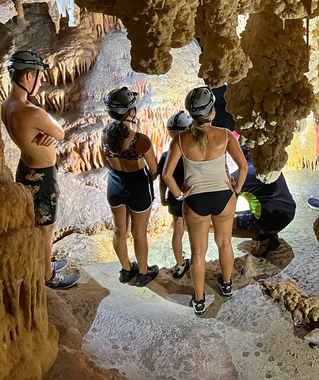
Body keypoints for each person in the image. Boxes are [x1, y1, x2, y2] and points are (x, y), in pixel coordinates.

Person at [162, 86, 248, 316]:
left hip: (195, 200)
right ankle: (227, 285)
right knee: (225, 243)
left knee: (198, 252)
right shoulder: (226, 135)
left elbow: (167, 175)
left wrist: (180, 195)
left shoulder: (180, 139)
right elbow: (243, 166)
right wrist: (237, 189)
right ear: (212, 112)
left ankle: (199, 300)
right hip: (223, 196)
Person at [2, 50, 79, 290]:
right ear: (27, 77)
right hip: (42, 177)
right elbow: (59, 132)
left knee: (37, 224)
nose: (41, 81)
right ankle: (47, 276)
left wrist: (40, 128)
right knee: (45, 228)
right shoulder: (32, 112)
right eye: (38, 76)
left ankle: (44, 262)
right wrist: (46, 127)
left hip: (26, 169)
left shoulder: (8, 105)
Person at [101, 87, 160, 287]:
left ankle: (126, 270)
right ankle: (143, 273)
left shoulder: (105, 136)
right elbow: (154, 169)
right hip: (137, 185)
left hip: (115, 184)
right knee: (139, 233)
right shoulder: (140, 140)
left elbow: (105, 164)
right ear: (131, 113)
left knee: (119, 230)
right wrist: (148, 179)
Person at [231, 146, 296, 256]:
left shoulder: (240, 175)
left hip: (270, 220)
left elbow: (225, 202)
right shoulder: (270, 167)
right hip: (289, 213)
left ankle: (265, 238)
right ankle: (269, 232)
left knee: (221, 225)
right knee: (255, 207)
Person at [158, 111, 193, 278]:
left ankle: (180, 264)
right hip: (193, 196)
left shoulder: (165, 156)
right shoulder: (192, 155)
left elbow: (163, 179)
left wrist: (163, 196)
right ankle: (197, 260)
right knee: (195, 230)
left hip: (174, 196)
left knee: (177, 231)